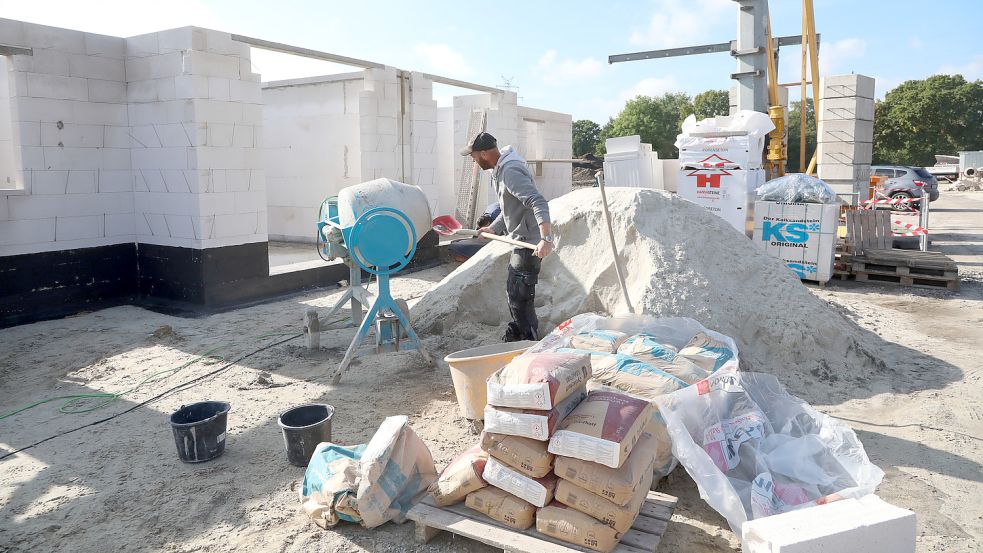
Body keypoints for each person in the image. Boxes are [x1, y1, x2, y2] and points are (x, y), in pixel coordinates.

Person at [460, 132, 554, 342]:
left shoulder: (510, 170)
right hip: (521, 240)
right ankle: (523, 335)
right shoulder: (500, 169)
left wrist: (546, 239)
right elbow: (510, 207)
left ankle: (527, 341)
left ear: (484, 153)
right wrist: (493, 228)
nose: (473, 160)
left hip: (529, 244)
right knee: (516, 294)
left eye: (474, 156)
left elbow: (537, 202)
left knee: (519, 296)